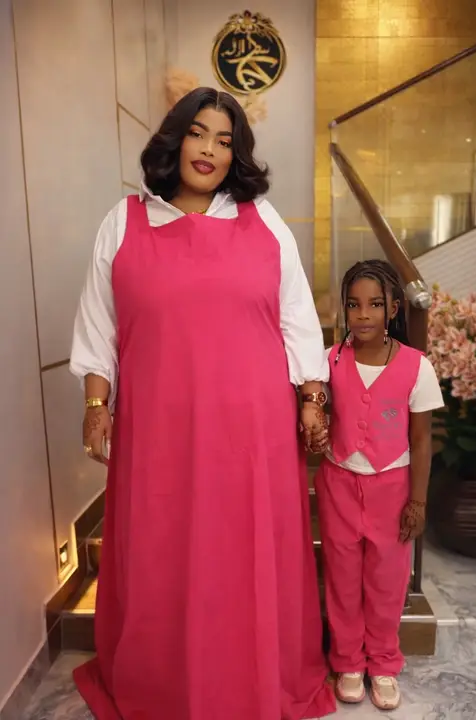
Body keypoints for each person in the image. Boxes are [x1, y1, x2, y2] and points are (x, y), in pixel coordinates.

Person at [70, 87, 336, 720]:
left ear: (235, 153)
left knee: (247, 556)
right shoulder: (123, 221)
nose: (209, 149)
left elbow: (297, 317)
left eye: (224, 139)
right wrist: (96, 403)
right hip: (158, 429)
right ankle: (164, 684)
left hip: (252, 431)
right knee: (160, 553)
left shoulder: (263, 220)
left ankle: (254, 676)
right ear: (175, 138)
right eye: (198, 132)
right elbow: (99, 322)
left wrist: (311, 396)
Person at [315, 260, 443, 711]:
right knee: (343, 578)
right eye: (353, 305)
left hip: (392, 487)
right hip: (338, 484)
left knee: (387, 581)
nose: (363, 314)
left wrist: (418, 502)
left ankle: (384, 662)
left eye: (374, 304)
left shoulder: (416, 366)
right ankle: (348, 660)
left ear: (393, 309)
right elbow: (315, 411)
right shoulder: (329, 360)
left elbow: (422, 440)